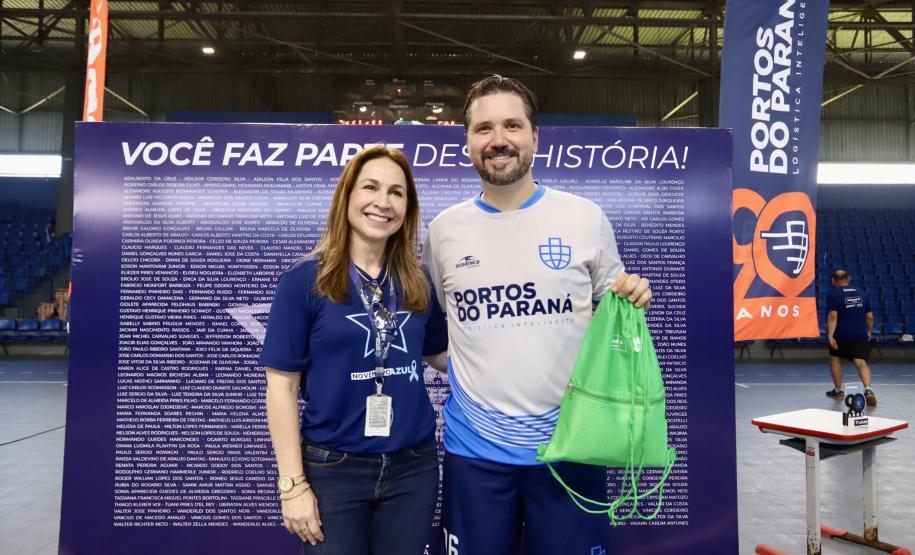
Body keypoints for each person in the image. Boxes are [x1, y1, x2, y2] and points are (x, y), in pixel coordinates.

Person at [422, 75, 652, 555]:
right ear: (467, 141)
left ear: (534, 137)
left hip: (572, 447)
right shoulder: (443, 232)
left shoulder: (584, 218)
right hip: (474, 453)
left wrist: (635, 297)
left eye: (512, 125)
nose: (498, 139)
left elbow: (615, 316)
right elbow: (440, 333)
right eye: (483, 128)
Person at [259, 145, 448, 554]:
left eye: (397, 193)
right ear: (347, 196)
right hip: (332, 470)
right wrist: (292, 485)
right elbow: (282, 388)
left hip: (413, 467)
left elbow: (439, 355)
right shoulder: (303, 281)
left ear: (408, 208)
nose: (383, 202)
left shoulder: (418, 282)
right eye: (371, 187)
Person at [825, 268, 877, 406]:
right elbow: (870, 317)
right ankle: (868, 390)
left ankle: (838, 390)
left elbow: (833, 316)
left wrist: (830, 335)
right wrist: (869, 331)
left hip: (841, 335)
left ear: (833, 281)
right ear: (849, 279)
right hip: (859, 334)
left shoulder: (833, 295)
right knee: (861, 362)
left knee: (835, 359)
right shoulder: (861, 293)